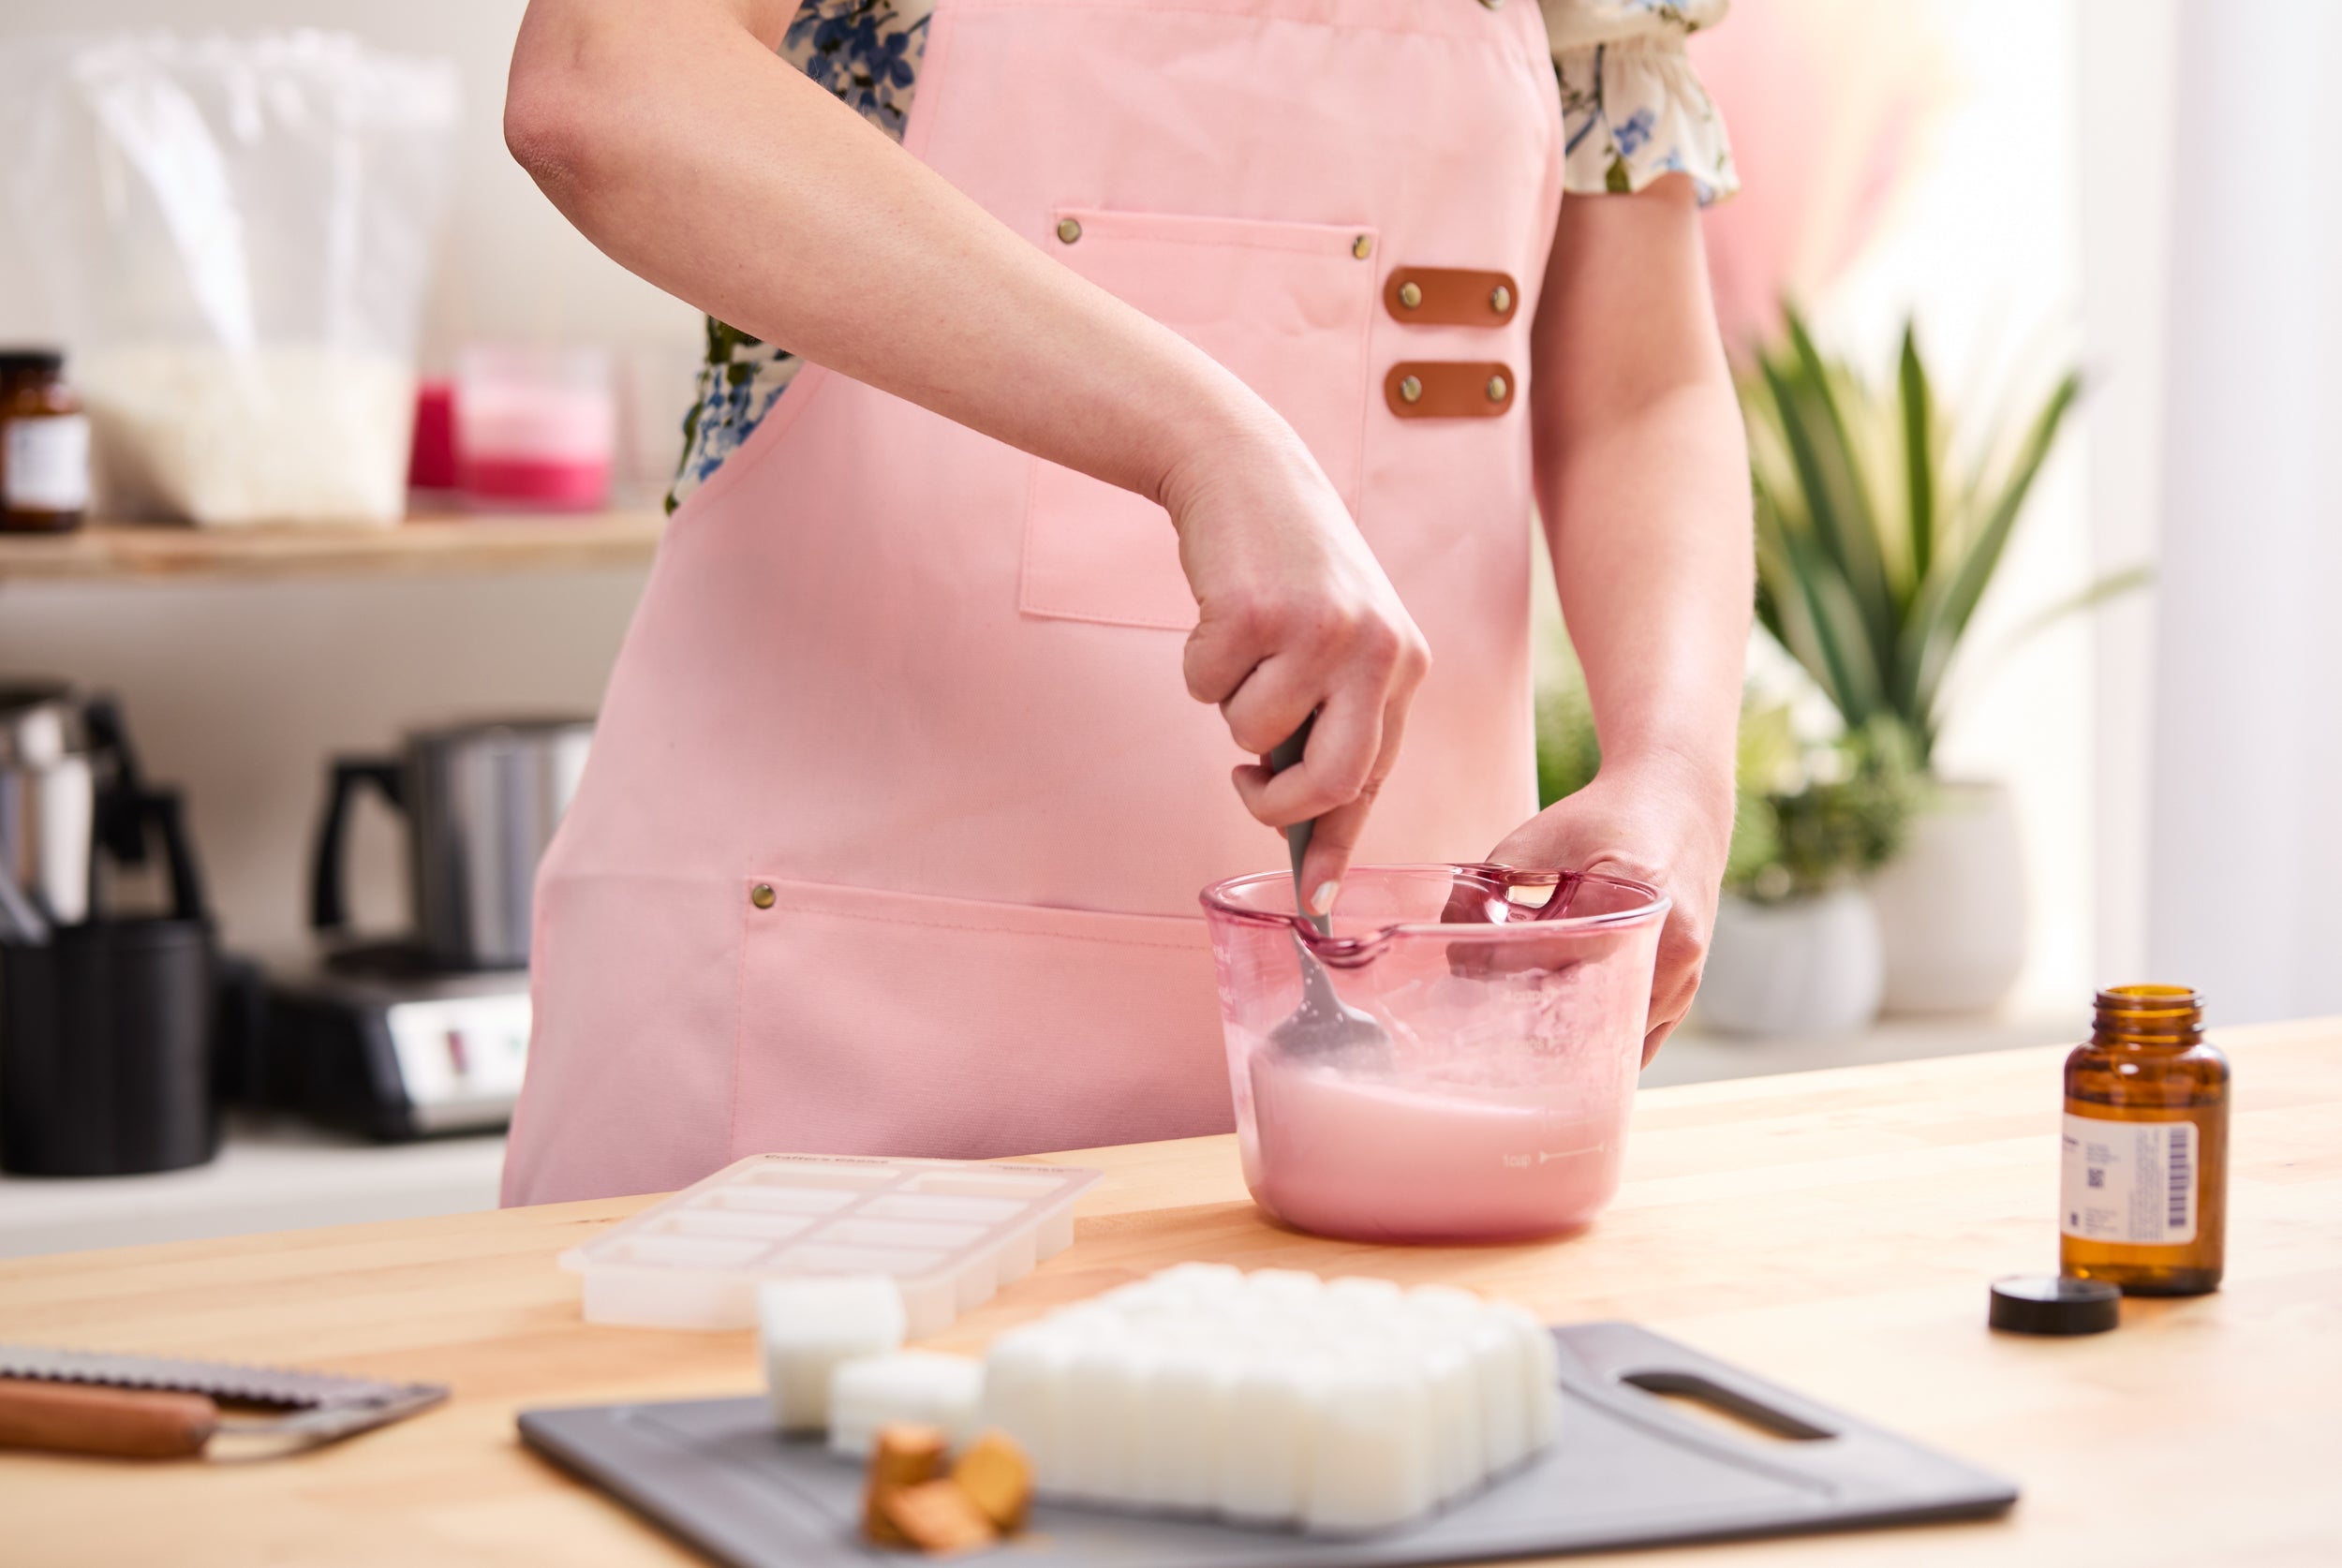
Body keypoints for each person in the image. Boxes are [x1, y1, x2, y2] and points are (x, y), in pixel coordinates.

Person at [497, 0, 1752, 1206]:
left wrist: (1677, 770)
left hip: (1388, 1076)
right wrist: (1205, 441)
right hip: (812, 1089)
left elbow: (1637, 387)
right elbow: (609, 80)